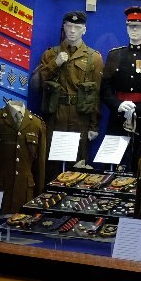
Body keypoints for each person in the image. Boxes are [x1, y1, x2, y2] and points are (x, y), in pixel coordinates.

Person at [100, 6, 141, 171]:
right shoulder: (115, 55)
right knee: (113, 164)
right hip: (118, 117)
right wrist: (118, 105)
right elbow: (105, 88)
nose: (134, 30)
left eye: (139, 26)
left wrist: (139, 110)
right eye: (130, 26)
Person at [37, 11, 103, 168]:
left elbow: (96, 94)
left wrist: (94, 126)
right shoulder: (51, 54)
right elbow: (38, 84)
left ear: (84, 30)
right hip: (55, 115)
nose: (72, 30)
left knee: (77, 162)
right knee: (51, 161)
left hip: (80, 118)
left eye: (77, 27)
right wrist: (55, 63)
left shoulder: (94, 58)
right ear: (64, 28)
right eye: (69, 26)